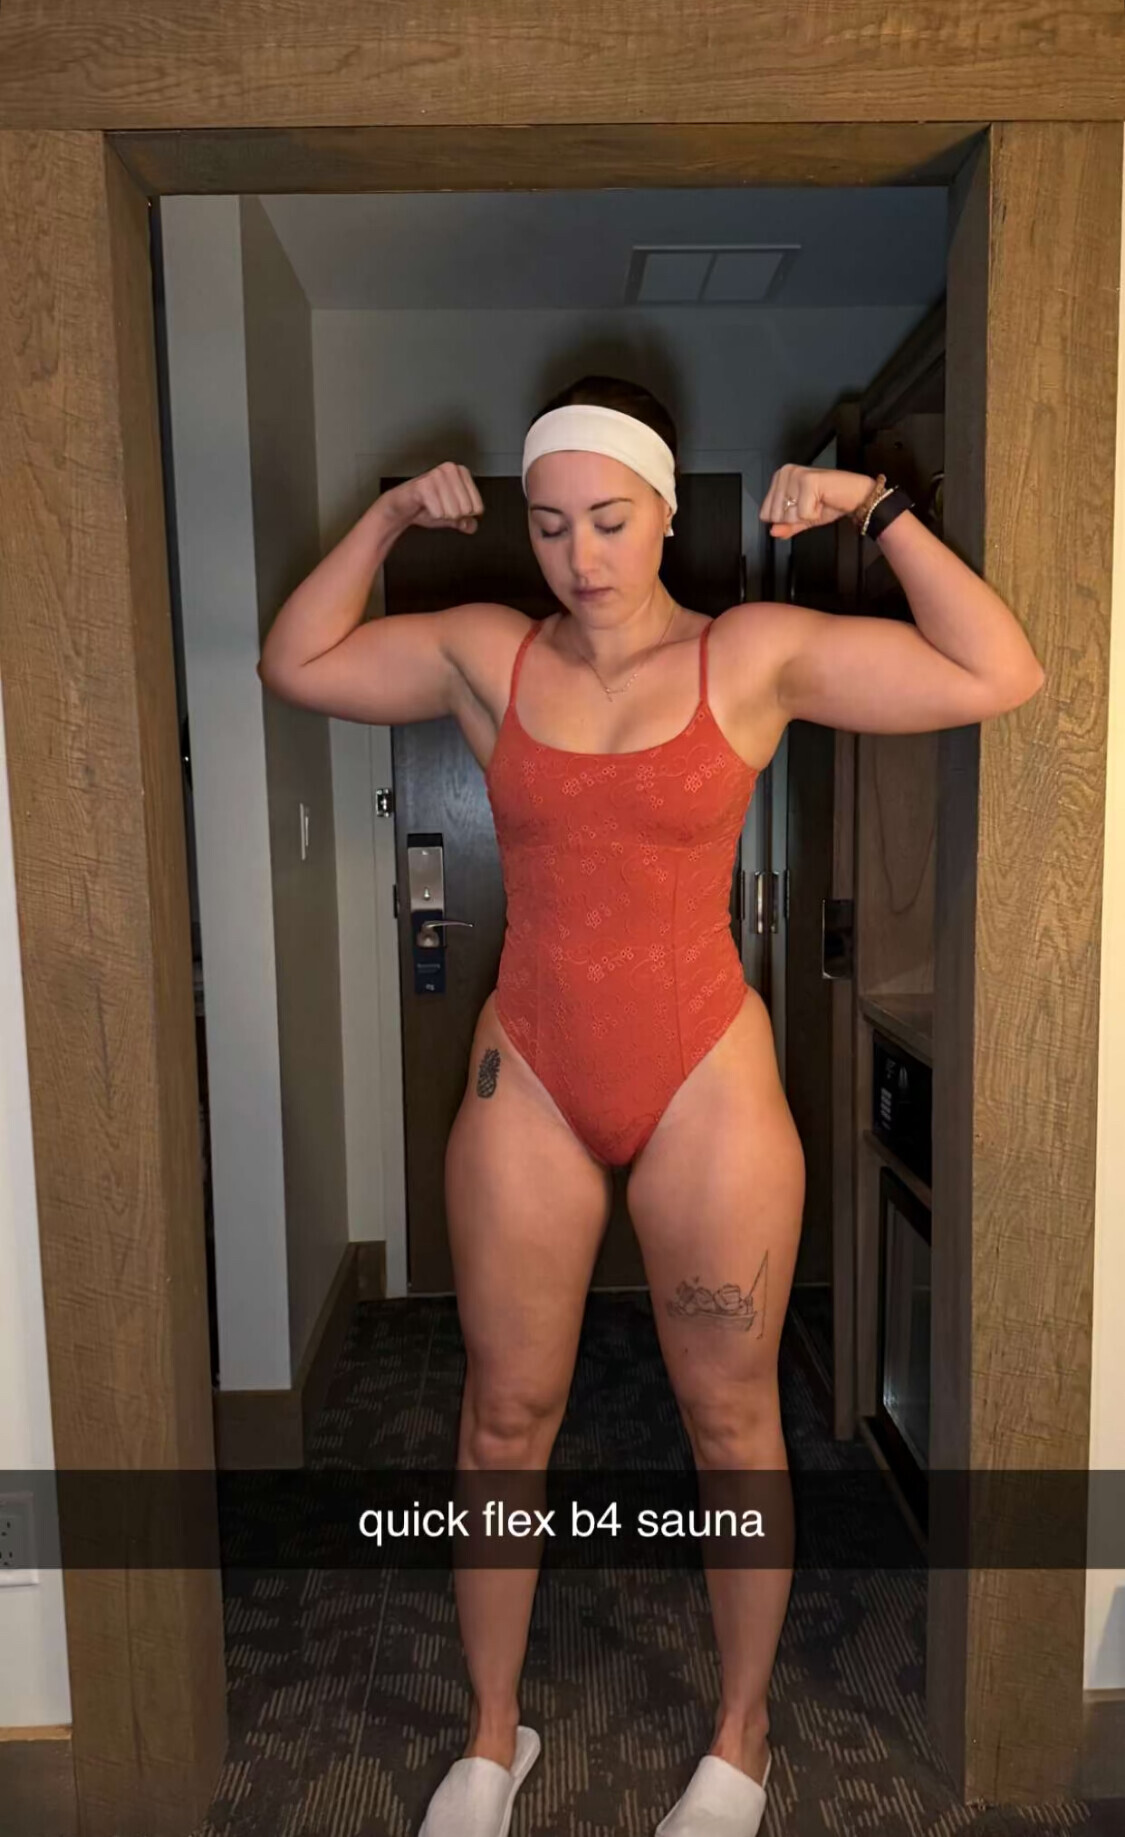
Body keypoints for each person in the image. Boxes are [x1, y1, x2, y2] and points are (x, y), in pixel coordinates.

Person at [257, 374, 1046, 1837]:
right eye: (551, 524)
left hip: (704, 1081)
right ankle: (492, 1738)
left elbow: (994, 670)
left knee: (730, 1418)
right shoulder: (488, 656)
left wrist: (875, 508)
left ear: (666, 512)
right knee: (504, 1417)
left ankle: (742, 1738)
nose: (580, 555)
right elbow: (295, 659)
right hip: (533, 1069)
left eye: (611, 520)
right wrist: (387, 517)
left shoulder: (747, 652)